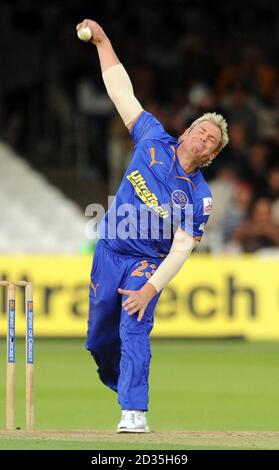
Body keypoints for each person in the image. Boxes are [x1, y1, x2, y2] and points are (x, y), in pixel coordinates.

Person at [76, 18, 229, 433]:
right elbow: (120, 90)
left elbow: (182, 247)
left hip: (147, 261)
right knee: (99, 340)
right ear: (186, 131)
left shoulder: (200, 196)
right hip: (110, 251)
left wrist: (150, 288)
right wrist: (103, 42)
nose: (202, 138)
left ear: (211, 156)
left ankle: (134, 411)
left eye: (211, 141)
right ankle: (120, 378)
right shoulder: (151, 138)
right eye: (200, 130)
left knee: (135, 323)